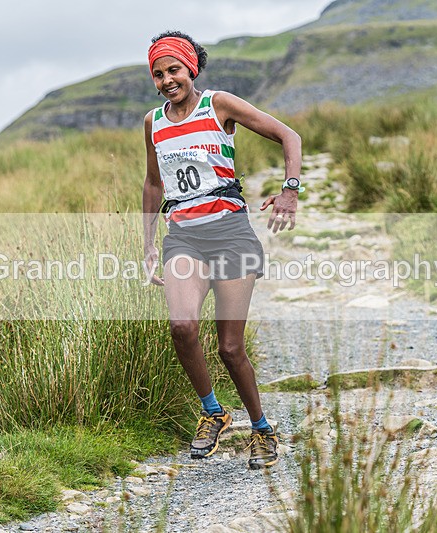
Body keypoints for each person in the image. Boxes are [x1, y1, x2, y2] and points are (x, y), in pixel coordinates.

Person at [141, 30, 302, 469]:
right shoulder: (153, 122)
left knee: (231, 348)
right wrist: (149, 243)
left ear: (191, 68)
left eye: (173, 70)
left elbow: (289, 135)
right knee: (182, 328)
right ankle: (214, 412)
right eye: (158, 74)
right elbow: (154, 183)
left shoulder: (220, 105)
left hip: (231, 235)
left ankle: (262, 428)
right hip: (185, 238)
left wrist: (290, 190)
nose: (166, 80)